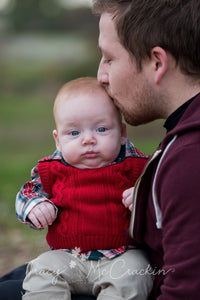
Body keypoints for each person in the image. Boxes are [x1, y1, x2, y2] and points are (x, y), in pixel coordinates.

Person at [92, 0, 200, 299]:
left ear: (156, 62)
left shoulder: (191, 158)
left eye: (109, 58)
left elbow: (186, 291)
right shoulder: (185, 135)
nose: (101, 75)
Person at [16, 77, 153, 299]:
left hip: (121, 256)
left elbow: (162, 194)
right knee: (42, 269)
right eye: (74, 133)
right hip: (68, 258)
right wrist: (35, 206)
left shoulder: (136, 167)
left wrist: (142, 195)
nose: (88, 139)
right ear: (58, 140)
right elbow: (27, 193)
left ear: (122, 133)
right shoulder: (52, 170)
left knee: (136, 274)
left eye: (101, 129)